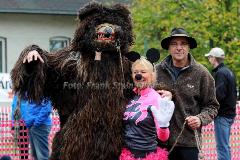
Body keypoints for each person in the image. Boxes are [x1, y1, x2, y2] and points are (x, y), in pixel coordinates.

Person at [156, 28, 219, 160]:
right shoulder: (156, 71)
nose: (179, 48)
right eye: (174, 44)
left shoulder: (202, 73)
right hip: (159, 142)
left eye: (183, 43)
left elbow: (212, 106)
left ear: (189, 47)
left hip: (189, 143)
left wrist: (200, 119)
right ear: (168, 47)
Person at [119, 55, 175, 160]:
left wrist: (163, 126)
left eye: (143, 72)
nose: (139, 75)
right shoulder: (131, 97)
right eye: (135, 72)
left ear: (152, 75)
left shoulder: (156, 99)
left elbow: (163, 138)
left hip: (147, 155)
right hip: (126, 155)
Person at [205, 47, 237, 160]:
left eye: (209, 57)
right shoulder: (228, 71)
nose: (209, 59)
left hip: (223, 115)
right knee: (225, 146)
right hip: (229, 114)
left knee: (222, 147)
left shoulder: (221, 73)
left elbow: (219, 95)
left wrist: (207, 104)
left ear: (214, 58)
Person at [11, 93, 52, 160]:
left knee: (41, 156)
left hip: (37, 125)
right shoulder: (22, 92)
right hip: (28, 125)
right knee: (33, 154)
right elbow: (15, 106)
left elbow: (47, 108)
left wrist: (36, 123)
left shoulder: (40, 88)